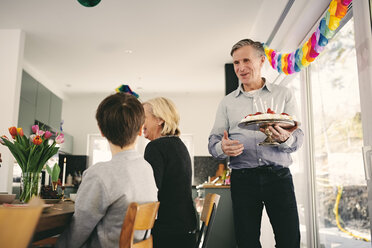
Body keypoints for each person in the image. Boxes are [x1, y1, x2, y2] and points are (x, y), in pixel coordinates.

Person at [208, 39, 304, 248]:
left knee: (290, 241)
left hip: (278, 177)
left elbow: (298, 139)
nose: (240, 68)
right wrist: (221, 148)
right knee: (246, 242)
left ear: (261, 61)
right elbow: (213, 142)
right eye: (235, 63)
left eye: (246, 60)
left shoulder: (283, 94)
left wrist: (285, 138)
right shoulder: (227, 103)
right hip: (243, 179)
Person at [56, 93, 158, 248]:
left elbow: (77, 233)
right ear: (139, 129)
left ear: (101, 130)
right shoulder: (147, 169)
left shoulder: (99, 174)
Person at [142, 97, 197, 248]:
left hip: (169, 233)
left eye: (143, 117)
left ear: (159, 119)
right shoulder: (179, 144)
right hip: (185, 227)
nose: (140, 122)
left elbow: (150, 192)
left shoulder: (155, 147)